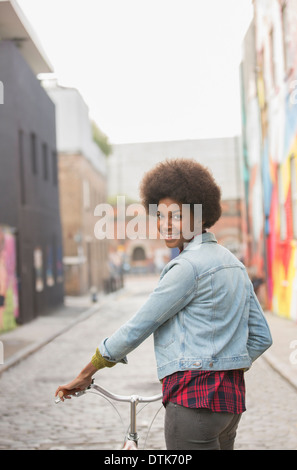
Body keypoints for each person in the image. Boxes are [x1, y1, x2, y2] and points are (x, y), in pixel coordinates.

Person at [55, 158, 272, 450]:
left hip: (192, 403)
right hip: (229, 406)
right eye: (160, 216)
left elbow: (138, 327)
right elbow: (262, 337)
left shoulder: (187, 268)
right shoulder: (234, 265)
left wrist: (87, 372)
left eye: (176, 216)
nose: (165, 225)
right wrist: (226, 366)